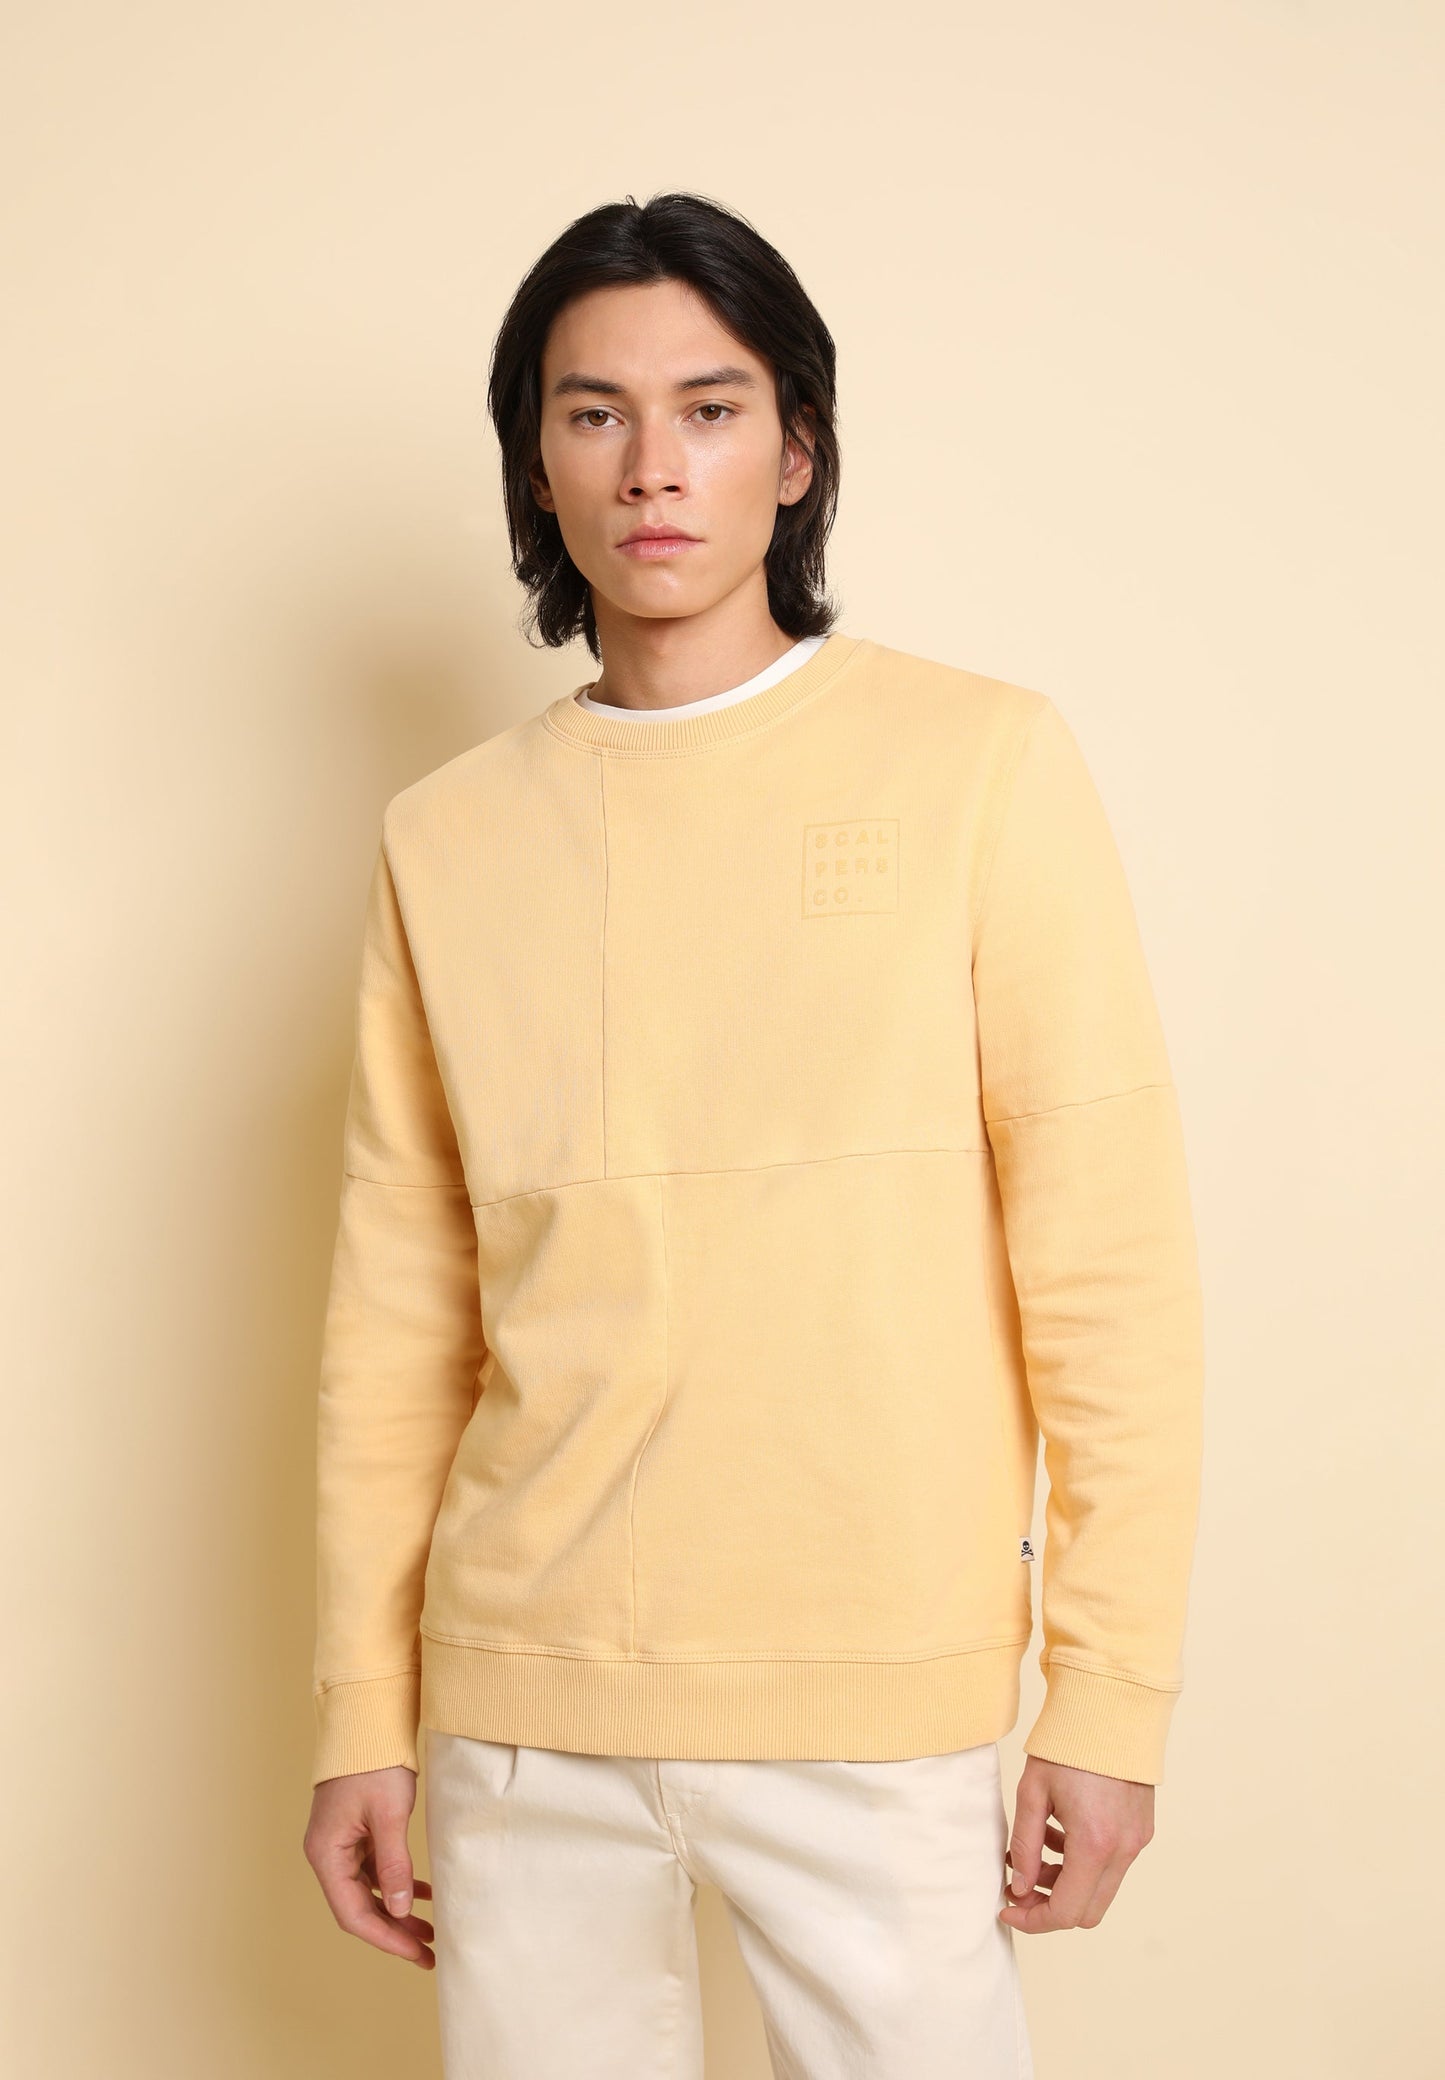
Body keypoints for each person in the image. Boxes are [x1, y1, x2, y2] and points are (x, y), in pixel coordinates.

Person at [301, 190, 1205, 2080]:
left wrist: (1107, 1701)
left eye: (709, 409)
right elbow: (400, 1314)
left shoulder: (980, 762)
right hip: (523, 1706)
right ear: (533, 466)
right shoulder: (442, 839)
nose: (652, 465)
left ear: (796, 451)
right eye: (593, 413)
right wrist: (359, 1714)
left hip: (875, 1692)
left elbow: (1106, 1269)